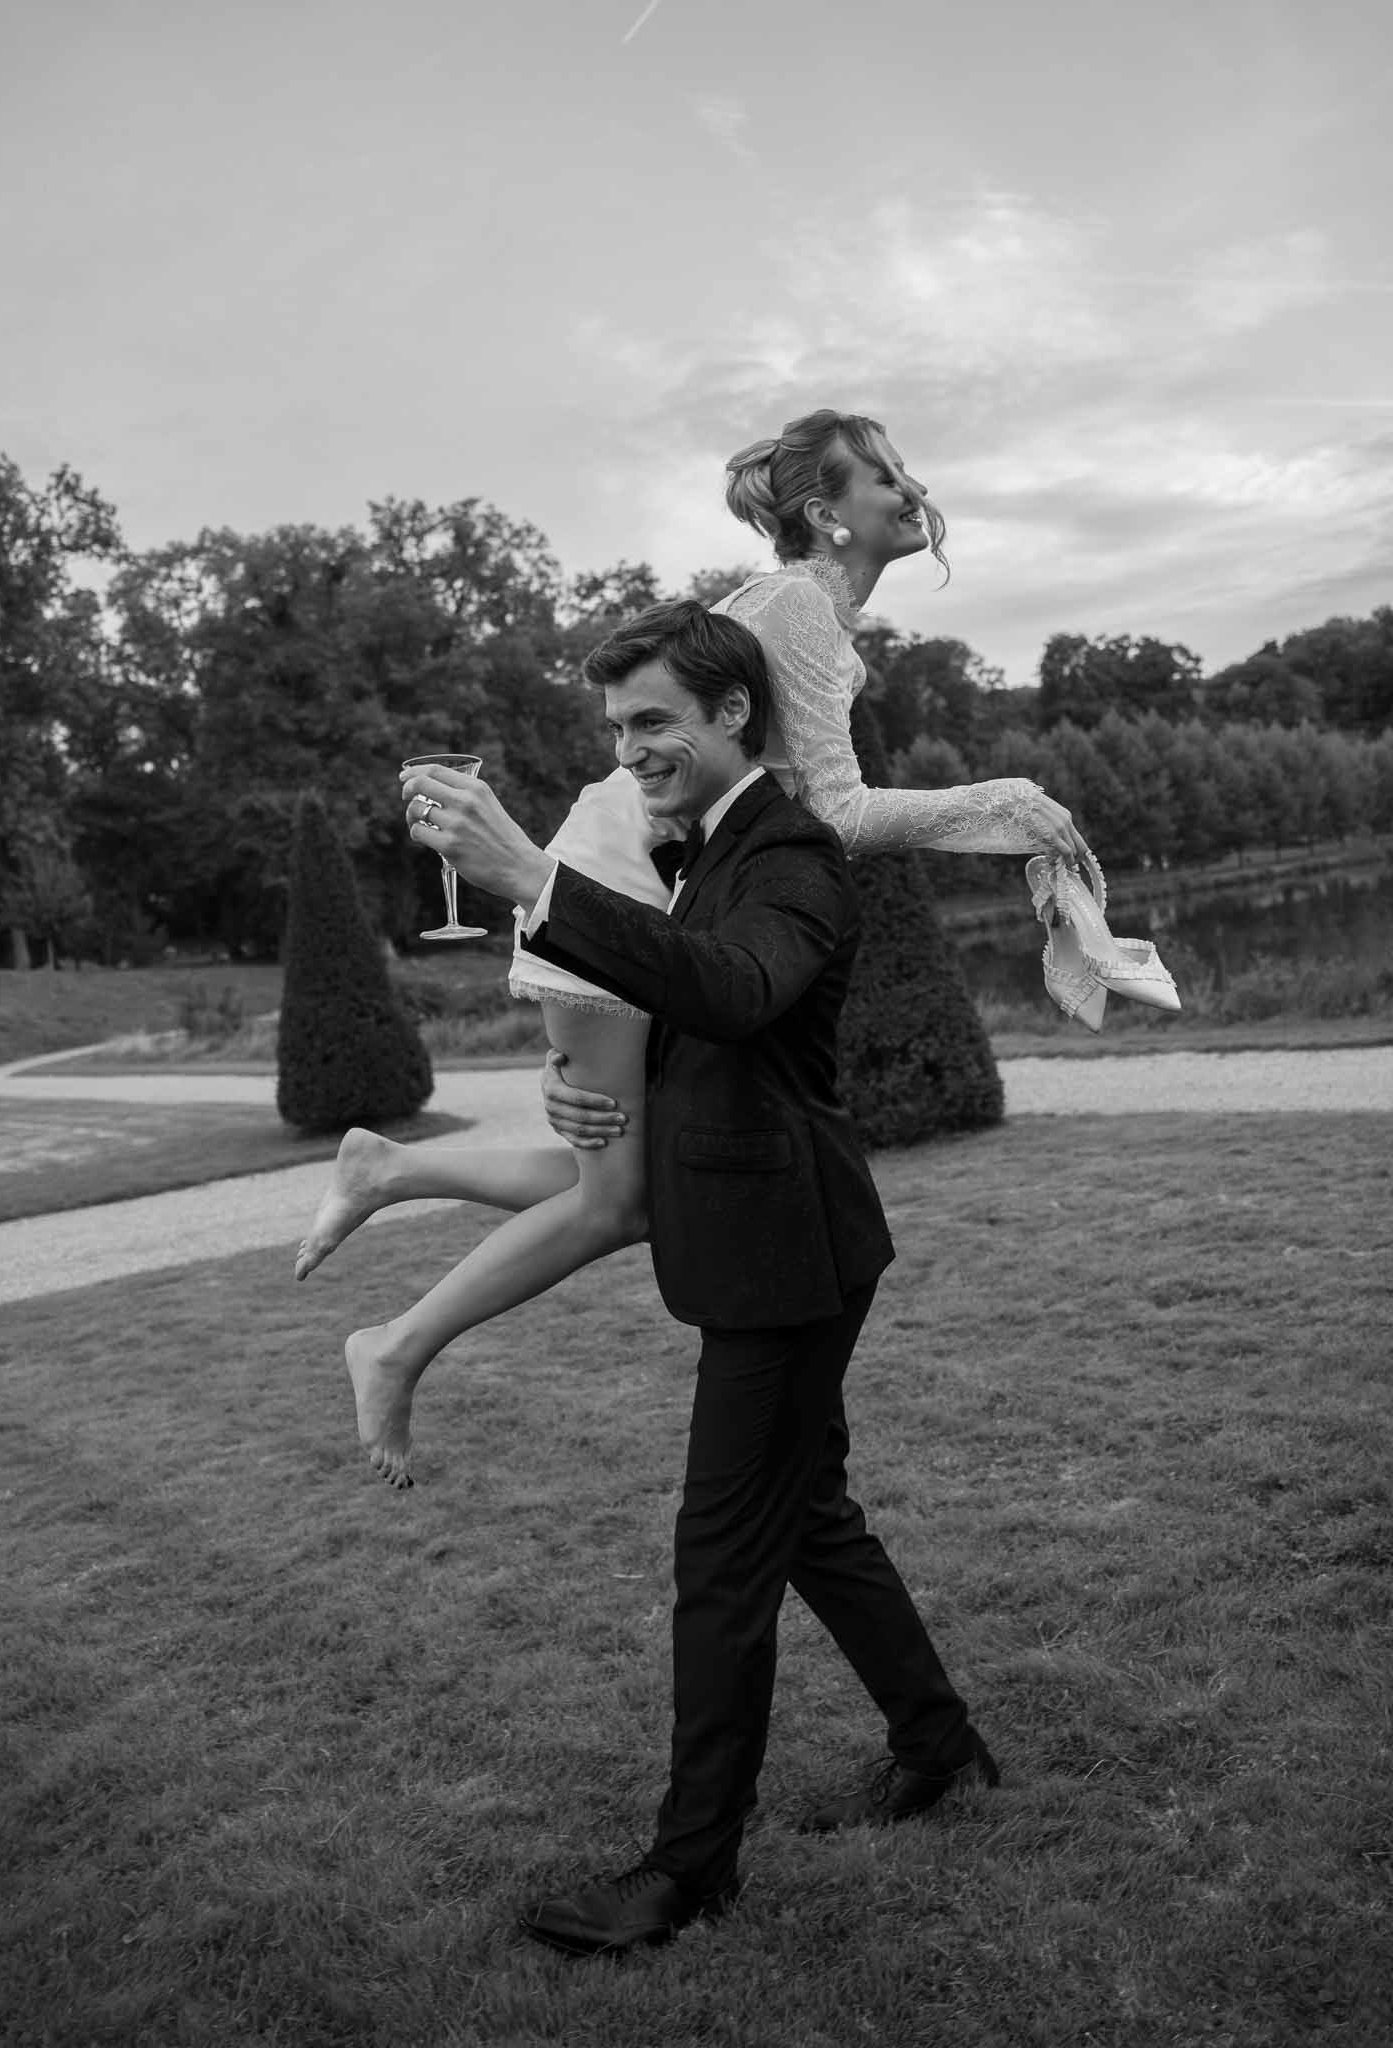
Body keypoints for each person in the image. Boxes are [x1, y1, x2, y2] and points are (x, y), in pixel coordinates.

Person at [297, 407, 1091, 1487]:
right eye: (886, 478)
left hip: (665, 903)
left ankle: (391, 1168)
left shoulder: (804, 614)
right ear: (826, 512)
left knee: (627, 1179)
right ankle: (392, 1343)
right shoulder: (797, 607)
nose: (911, 493)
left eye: (907, 473)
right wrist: (1003, 808)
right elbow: (838, 814)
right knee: (622, 1197)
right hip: (619, 888)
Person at [397, 600, 998, 1957]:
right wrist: (580, 1084)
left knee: (720, 1561)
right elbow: (690, 1015)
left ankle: (688, 1870)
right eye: (617, 730)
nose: (634, 751)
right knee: (811, 1520)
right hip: (769, 1237)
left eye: (655, 721)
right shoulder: (697, 851)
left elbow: (734, 989)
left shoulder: (792, 855)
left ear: (733, 714)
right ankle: (940, 1742)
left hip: (791, 1258)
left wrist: (532, 881)